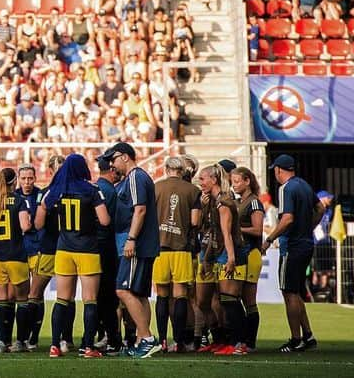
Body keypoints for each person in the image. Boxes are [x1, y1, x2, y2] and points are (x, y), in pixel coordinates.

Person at [37, 154, 111, 358]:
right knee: (89, 300)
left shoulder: (56, 190)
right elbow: (104, 220)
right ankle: (88, 347)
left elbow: (39, 221)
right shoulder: (92, 190)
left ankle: (54, 345)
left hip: (63, 249)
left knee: (62, 299)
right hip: (87, 249)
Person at [101, 141, 160, 358]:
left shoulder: (135, 177)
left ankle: (146, 337)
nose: (112, 165)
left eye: (113, 159)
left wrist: (132, 239)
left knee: (122, 290)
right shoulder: (135, 178)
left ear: (125, 156)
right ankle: (142, 340)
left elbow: (140, 209)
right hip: (143, 244)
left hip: (136, 243)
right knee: (138, 293)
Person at [262, 154, 323, 353]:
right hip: (305, 243)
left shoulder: (286, 188)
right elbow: (320, 208)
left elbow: (287, 219)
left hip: (292, 245)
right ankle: (307, 335)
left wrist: (270, 239)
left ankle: (296, 339)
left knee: (289, 293)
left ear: (279, 170)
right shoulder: (304, 185)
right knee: (295, 292)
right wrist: (309, 228)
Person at [196, 164, 248, 355]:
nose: (200, 182)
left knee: (229, 300)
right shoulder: (212, 201)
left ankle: (239, 343)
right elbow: (207, 230)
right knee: (209, 301)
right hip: (216, 253)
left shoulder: (224, 202)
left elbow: (227, 233)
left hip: (229, 252)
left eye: (203, 179)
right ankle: (223, 340)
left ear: (214, 180)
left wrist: (231, 258)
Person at [152, 156, 201, 352]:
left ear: (166, 169)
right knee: (181, 295)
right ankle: (179, 342)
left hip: (160, 248)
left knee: (162, 296)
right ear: (182, 171)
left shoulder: (156, 187)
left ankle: (162, 340)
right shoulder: (193, 191)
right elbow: (195, 221)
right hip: (181, 248)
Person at [0, 167, 32, 353]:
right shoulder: (20, 201)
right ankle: (20, 342)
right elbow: (25, 226)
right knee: (22, 300)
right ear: (14, 182)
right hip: (16, 255)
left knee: (1, 301)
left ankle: (1, 342)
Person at [25, 157, 60, 350]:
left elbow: (38, 224)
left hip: (48, 249)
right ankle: (63, 340)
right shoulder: (78, 190)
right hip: (68, 247)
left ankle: (30, 338)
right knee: (66, 297)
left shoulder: (45, 193)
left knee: (35, 294)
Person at [231, 167, 265, 351]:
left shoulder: (254, 203)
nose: (234, 185)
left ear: (247, 181)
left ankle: (249, 343)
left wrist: (235, 229)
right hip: (241, 254)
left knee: (249, 300)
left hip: (251, 254)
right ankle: (242, 339)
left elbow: (258, 230)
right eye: (232, 181)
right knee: (237, 298)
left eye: (237, 181)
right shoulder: (239, 202)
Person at [94, 156, 123, 352]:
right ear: (112, 170)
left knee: (98, 295)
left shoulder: (97, 189)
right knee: (107, 296)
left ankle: (106, 336)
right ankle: (111, 337)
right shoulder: (111, 191)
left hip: (94, 246)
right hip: (107, 246)